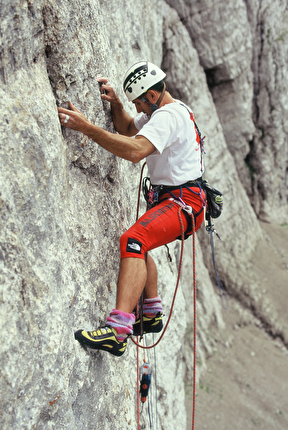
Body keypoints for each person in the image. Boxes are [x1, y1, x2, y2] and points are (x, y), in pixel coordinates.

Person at [58, 60, 206, 356]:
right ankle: (150, 313)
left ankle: (117, 331)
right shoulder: (167, 112)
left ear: (152, 96)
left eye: (139, 102)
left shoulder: (166, 117)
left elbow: (136, 151)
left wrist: (86, 128)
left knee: (134, 241)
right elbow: (127, 128)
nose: (138, 109)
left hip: (183, 203)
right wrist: (115, 103)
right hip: (179, 201)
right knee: (143, 243)